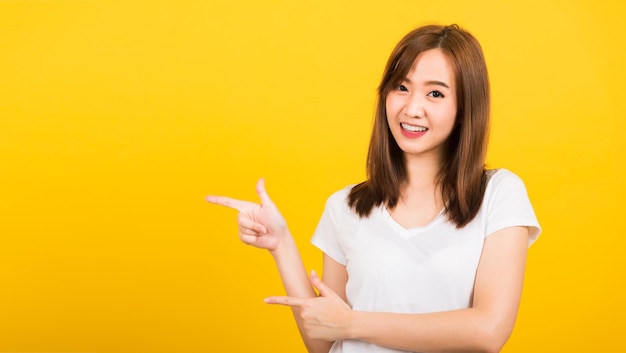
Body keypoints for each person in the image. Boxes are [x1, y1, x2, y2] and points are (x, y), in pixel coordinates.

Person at [207, 24, 540, 353]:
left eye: (435, 93)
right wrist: (280, 245)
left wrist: (353, 323)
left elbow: (489, 330)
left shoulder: (499, 195)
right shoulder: (345, 206)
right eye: (401, 88)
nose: (411, 108)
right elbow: (324, 342)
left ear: (466, 108)